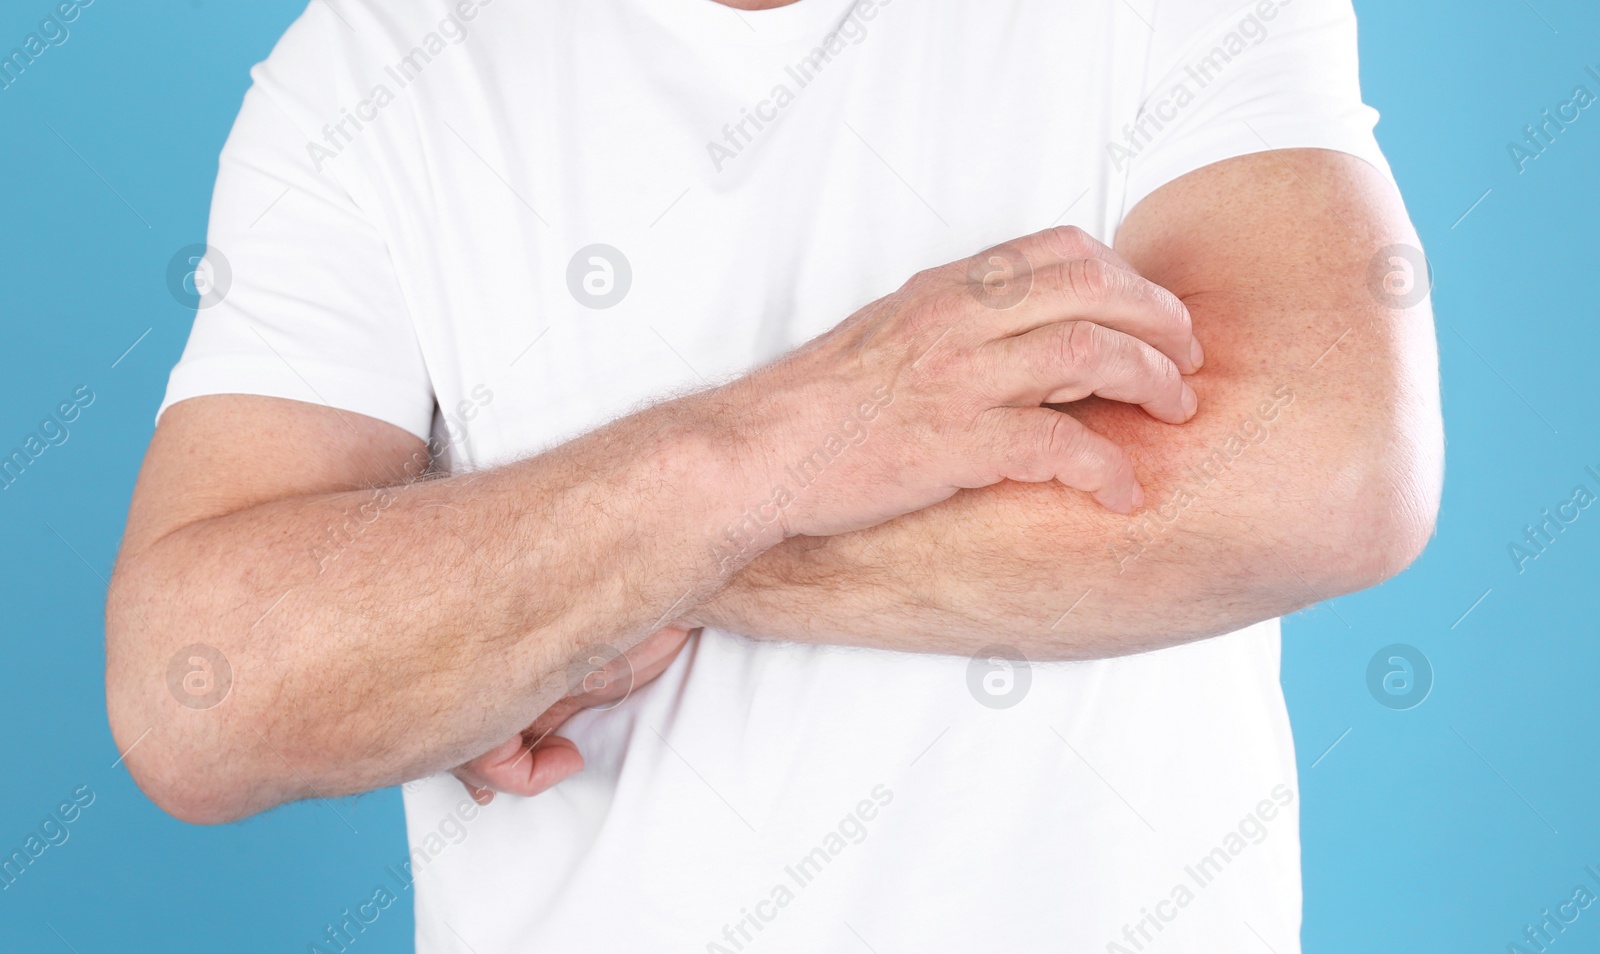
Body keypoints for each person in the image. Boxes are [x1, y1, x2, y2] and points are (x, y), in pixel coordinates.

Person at [106, 0, 1442, 950]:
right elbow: (194, 692)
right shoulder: (367, 68)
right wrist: (759, 448)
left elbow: (1326, 467)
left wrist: (595, 568)